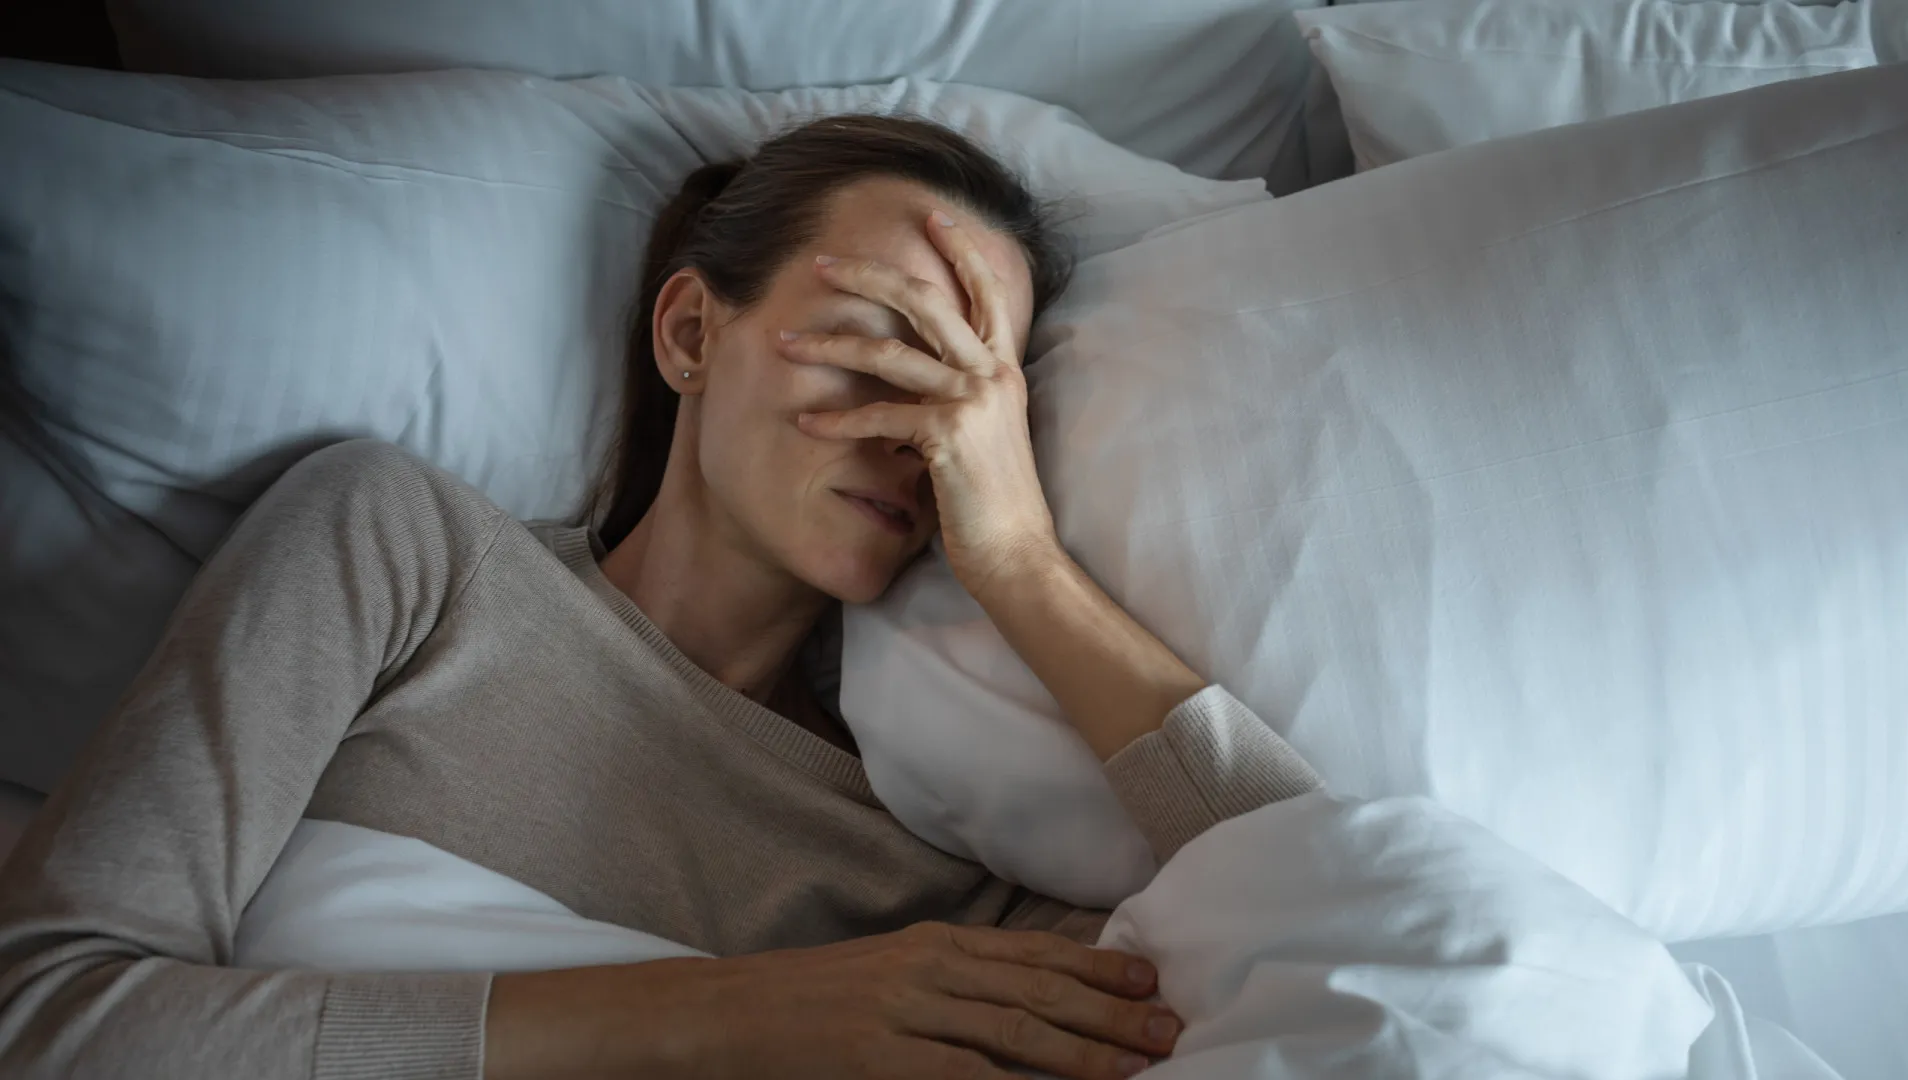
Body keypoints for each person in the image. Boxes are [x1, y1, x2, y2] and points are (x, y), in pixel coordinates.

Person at [0, 115, 1322, 1080]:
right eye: (885, 343)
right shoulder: (408, 554)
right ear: (692, 333)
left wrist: (1023, 558)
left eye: (977, 395)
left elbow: (1332, 928)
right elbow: (50, 1017)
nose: (919, 428)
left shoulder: (940, 864)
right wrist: (744, 1016)